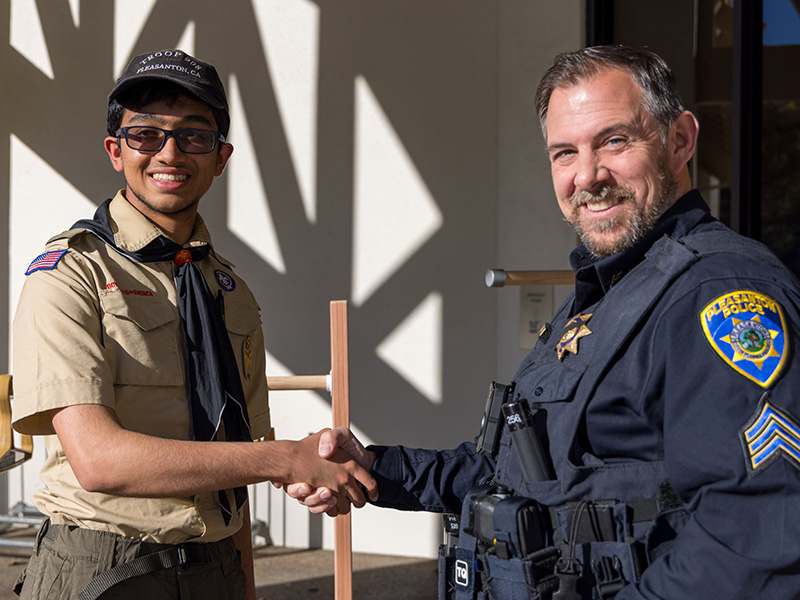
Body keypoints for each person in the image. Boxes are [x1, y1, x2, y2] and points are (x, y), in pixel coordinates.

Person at [288, 45, 800, 599]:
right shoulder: (614, 289)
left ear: (679, 141)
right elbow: (515, 473)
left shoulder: (718, 296)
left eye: (614, 141)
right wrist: (374, 468)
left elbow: (756, 535)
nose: (587, 176)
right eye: (564, 153)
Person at [11, 49, 377, 600]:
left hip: (216, 569)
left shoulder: (229, 292)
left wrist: (246, 583)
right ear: (116, 150)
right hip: (106, 569)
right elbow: (98, 460)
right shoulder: (69, 274)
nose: (170, 152)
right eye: (146, 134)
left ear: (221, 157)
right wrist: (284, 458)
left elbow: (236, 459)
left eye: (194, 136)